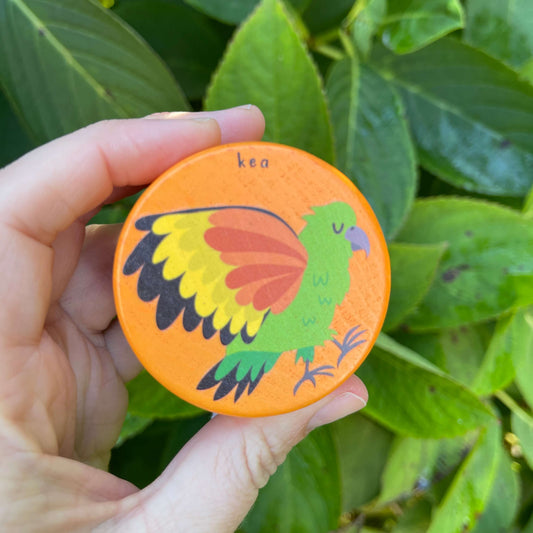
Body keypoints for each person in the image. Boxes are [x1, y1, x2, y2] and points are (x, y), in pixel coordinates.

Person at [0, 105, 368, 532]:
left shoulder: (331, 273)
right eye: (342, 231)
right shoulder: (286, 257)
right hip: (260, 342)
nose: (354, 238)